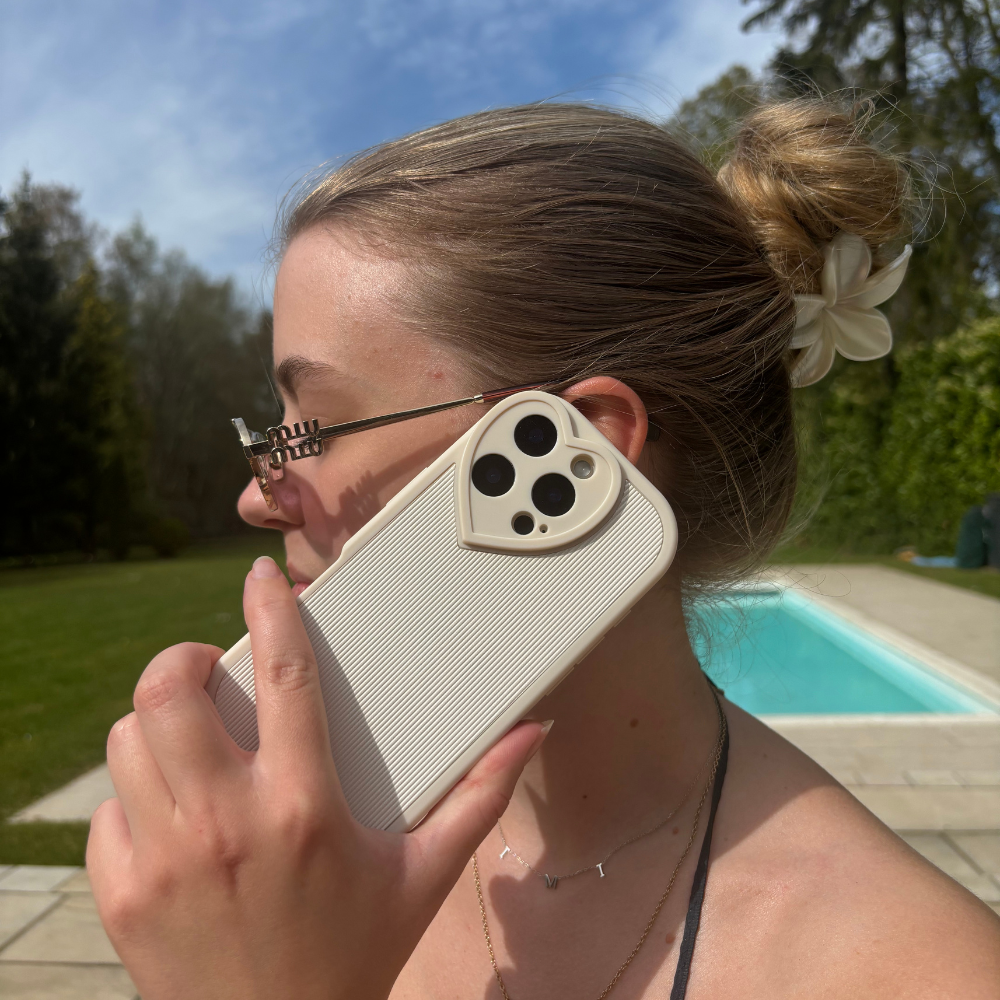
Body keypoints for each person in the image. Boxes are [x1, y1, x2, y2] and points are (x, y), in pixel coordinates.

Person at [87, 98, 1000, 999]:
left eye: (310, 429)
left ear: (581, 455)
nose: (255, 495)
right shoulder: (284, 859)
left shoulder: (921, 972)